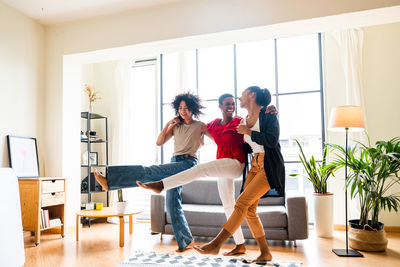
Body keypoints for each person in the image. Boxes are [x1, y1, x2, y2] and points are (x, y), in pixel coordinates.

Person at [93, 92, 208, 252]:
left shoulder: (200, 126)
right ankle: (186, 240)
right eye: (181, 108)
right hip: (174, 161)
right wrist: (169, 124)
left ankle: (110, 181)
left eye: (187, 108)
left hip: (188, 163)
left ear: (193, 109)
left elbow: (216, 138)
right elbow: (159, 142)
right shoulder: (176, 125)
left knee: (149, 171)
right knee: (172, 202)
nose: (183, 111)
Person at [138, 93, 247, 256]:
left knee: (200, 169)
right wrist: (173, 123)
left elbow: (255, 123)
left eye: (232, 104)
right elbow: (201, 132)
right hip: (223, 165)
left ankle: (162, 184)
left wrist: (269, 112)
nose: (230, 106)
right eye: (226, 104)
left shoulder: (240, 121)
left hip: (236, 163)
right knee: (228, 205)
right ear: (220, 106)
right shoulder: (215, 125)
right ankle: (240, 245)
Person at [191, 86, 285, 264]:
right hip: (254, 165)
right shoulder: (244, 119)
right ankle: (265, 253)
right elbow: (247, 146)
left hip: (268, 166)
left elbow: (271, 141)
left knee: (241, 203)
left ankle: (216, 243)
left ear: (252, 95)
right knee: (249, 210)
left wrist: (248, 132)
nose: (239, 98)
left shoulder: (268, 115)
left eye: (242, 95)